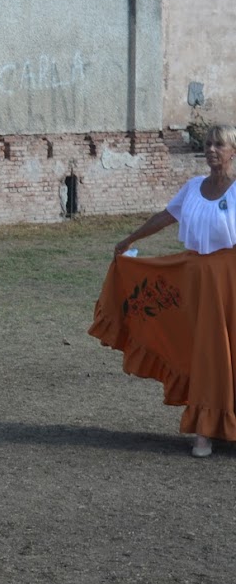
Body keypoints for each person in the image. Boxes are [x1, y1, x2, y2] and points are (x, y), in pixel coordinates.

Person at [90, 124, 236, 458]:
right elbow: (165, 217)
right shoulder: (193, 188)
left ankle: (225, 426)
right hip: (195, 278)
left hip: (231, 282)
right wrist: (131, 239)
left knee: (229, 352)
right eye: (208, 144)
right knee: (204, 352)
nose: (212, 150)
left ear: (233, 151)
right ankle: (205, 429)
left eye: (220, 144)